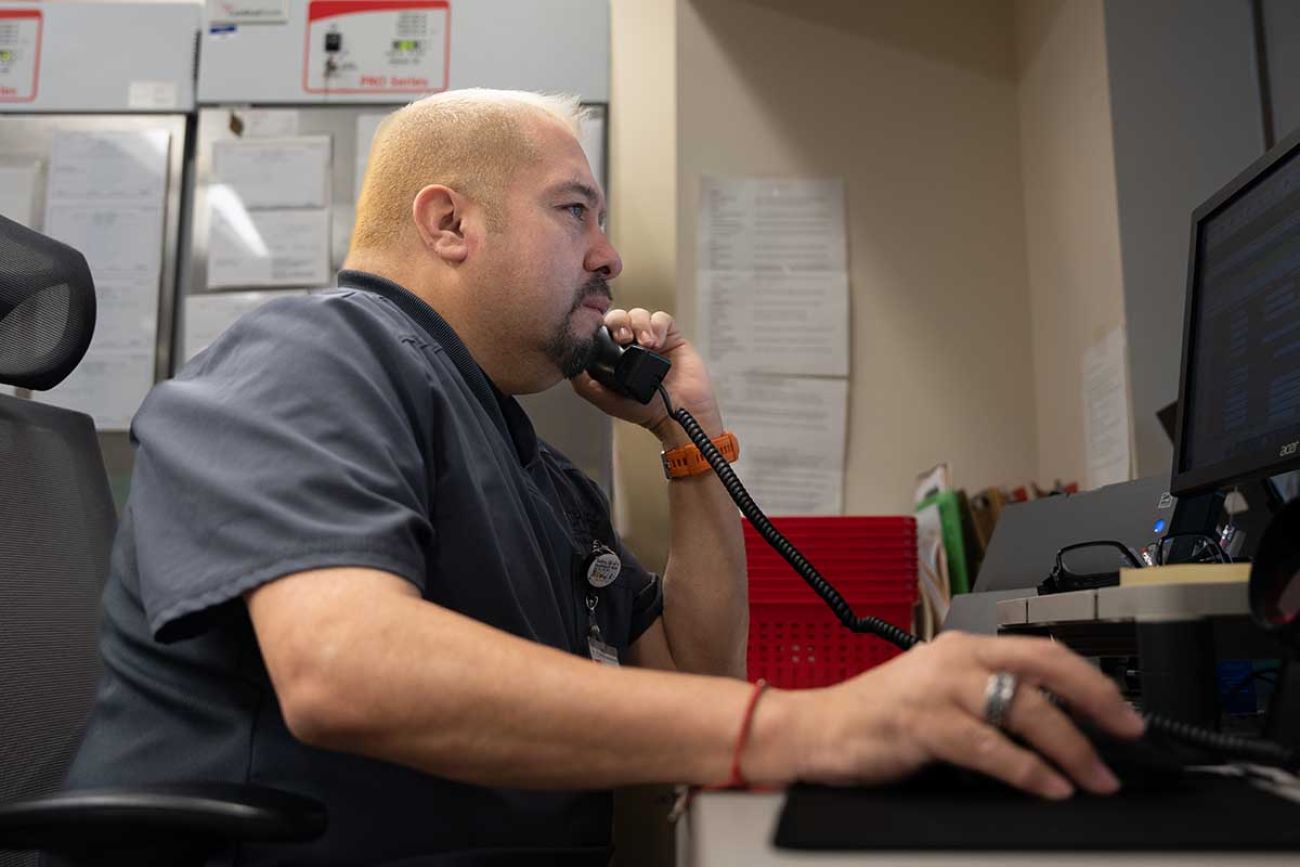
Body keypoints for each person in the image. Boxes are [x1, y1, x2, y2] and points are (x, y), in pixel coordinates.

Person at [65, 89, 1144, 865]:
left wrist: (692, 440)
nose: (610, 255)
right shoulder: (313, 356)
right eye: (573, 209)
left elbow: (690, 678)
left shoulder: (527, 457)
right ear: (448, 222)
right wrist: (818, 724)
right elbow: (343, 665)